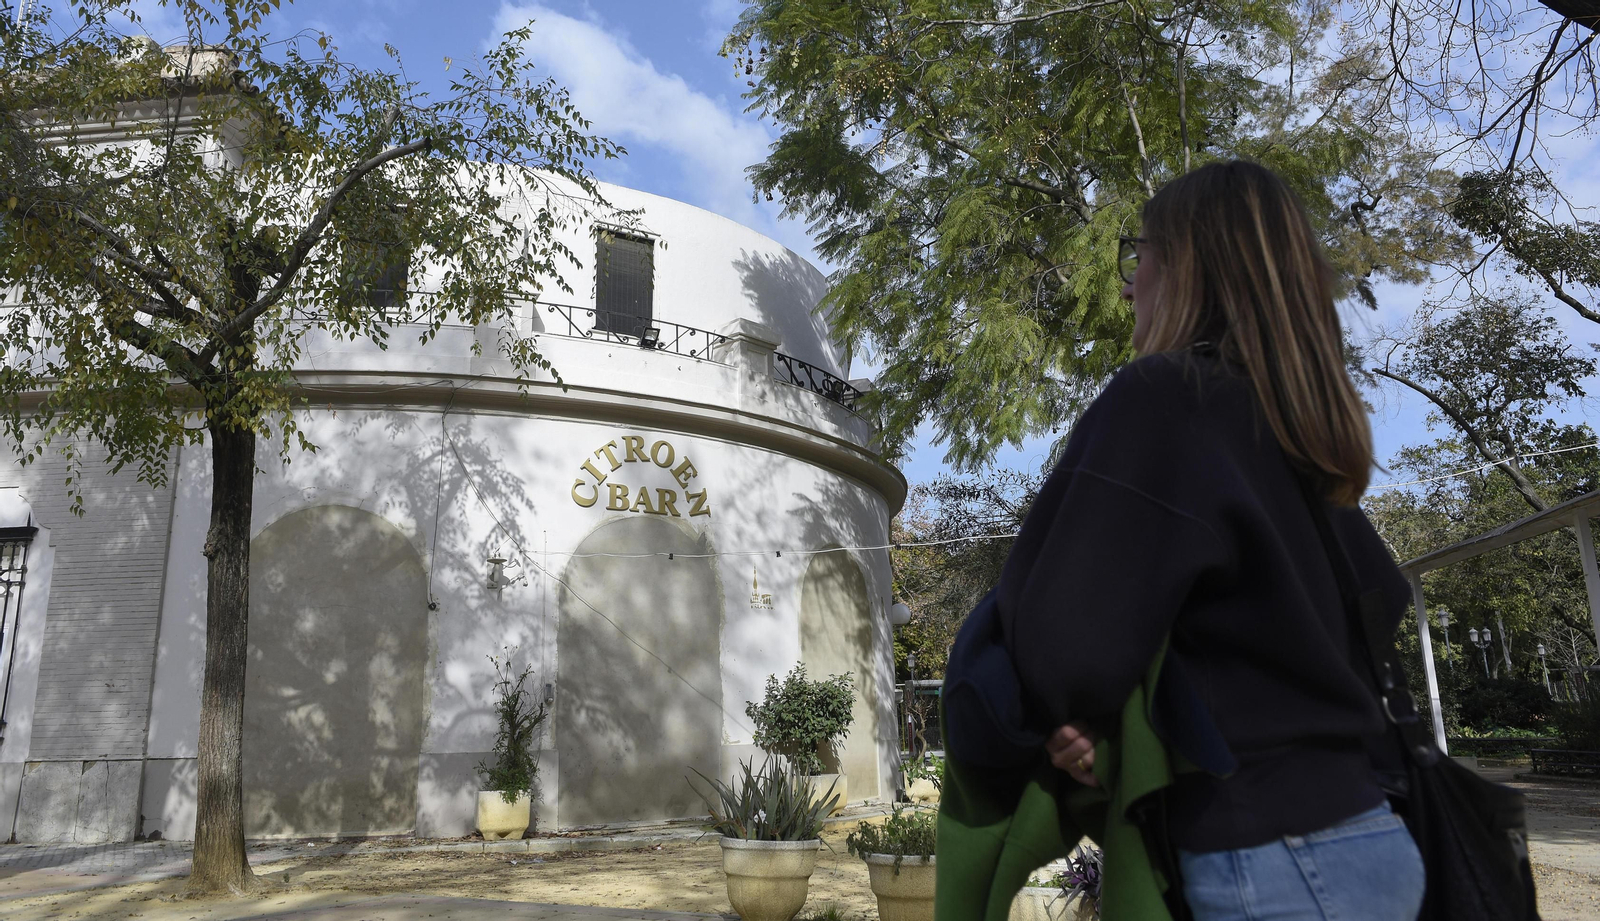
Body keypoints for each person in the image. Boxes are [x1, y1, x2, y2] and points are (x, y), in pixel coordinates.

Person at [996, 161, 1426, 920]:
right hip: (1375, 839)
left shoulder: (1166, 397)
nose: (1128, 287)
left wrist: (1070, 713)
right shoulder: (1297, 439)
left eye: (1139, 255)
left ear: (1185, 265)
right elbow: (1381, 599)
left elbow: (1063, 641)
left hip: (1272, 860)